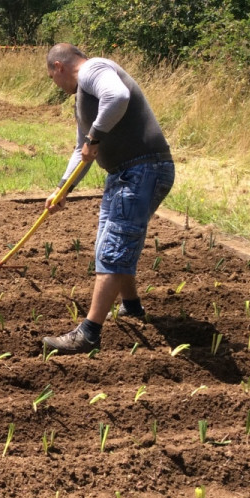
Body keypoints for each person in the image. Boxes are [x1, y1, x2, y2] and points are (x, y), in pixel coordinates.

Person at [41, 43, 175, 354]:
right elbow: (81, 151)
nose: (58, 88)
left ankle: (88, 334)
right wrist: (63, 189)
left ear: (58, 66)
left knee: (115, 245)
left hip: (144, 169)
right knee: (110, 241)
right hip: (124, 173)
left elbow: (118, 97)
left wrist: (95, 135)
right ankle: (131, 305)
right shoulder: (83, 99)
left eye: (52, 79)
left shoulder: (92, 69)